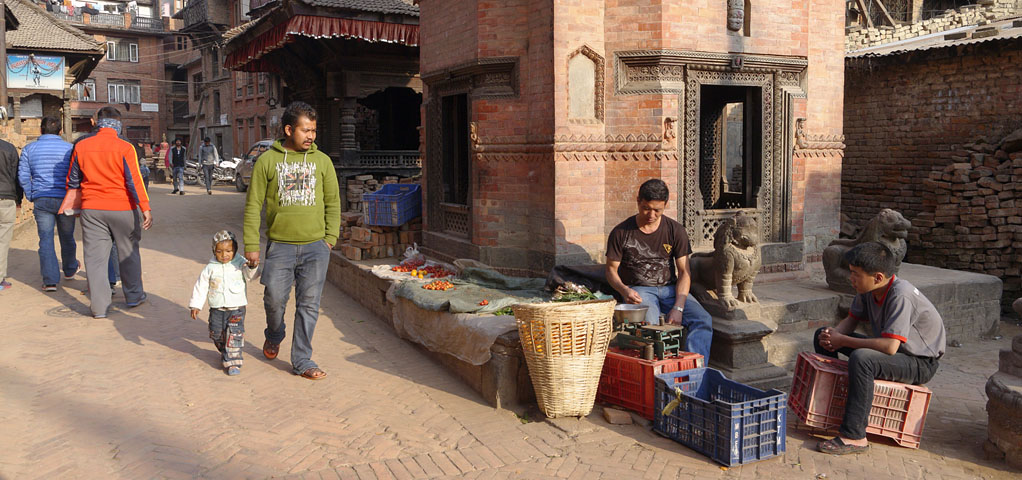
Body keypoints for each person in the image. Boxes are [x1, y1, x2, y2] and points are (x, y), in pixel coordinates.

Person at [814, 242, 946, 455]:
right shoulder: (868, 289)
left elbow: (890, 347)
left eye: (856, 274)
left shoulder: (900, 294)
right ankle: (829, 409)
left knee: (862, 358)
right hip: (897, 353)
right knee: (822, 335)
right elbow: (851, 321)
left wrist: (843, 341)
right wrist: (833, 336)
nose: (851, 278)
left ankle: (855, 436)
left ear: (877, 277)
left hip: (919, 362)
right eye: (851, 272)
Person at [243, 101, 340, 380]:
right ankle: (274, 332)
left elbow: (333, 202)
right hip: (280, 247)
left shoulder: (322, 162)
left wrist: (329, 239)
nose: (311, 136)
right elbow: (253, 205)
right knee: (274, 299)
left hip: (316, 248)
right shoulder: (268, 161)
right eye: (305, 130)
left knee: (309, 304)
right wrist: (251, 245)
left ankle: (302, 359)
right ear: (288, 129)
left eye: (313, 130)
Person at [605, 178, 714, 360]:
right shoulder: (621, 232)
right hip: (640, 290)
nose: (651, 214)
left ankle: (695, 369)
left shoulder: (675, 230)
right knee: (652, 327)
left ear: (665, 205)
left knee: (703, 320)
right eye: (646, 208)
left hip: (671, 289)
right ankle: (659, 376)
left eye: (657, 210)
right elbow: (610, 270)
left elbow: (685, 272)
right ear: (638, 201)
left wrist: (678, 307)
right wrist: (624, 290)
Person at [66, 107, 153, 318]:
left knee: (95, 259)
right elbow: (134, 181)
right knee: (128, 253)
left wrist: (75, 206)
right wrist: (145, 208)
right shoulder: (125, 147)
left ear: (96, 122)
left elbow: (72, 180)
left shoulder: (81, 146)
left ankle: (99, 308)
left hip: (91, 209)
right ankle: (133, 296)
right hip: (123, 208)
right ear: (118, 123)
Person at [18, 116, 78, 291]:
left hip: (42, 199)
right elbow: (77, 174)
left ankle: (50, 280)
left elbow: (23, 176)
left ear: (41, 130)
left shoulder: (29, 149)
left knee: (45, 239)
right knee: (67, 237)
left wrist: (31, 194)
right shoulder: (70, 149)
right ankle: (69, 269)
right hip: (66, 199)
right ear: (60, 131)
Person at [189, 230, 258, 376]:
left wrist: (252, 266)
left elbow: (251, 276)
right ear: (214, 251)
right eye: (219, 251)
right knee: (216, 335)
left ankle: (233, 362)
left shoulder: (240, 263)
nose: (224, 255)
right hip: (217, 309)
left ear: (235, 250)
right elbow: (201, 286)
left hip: (236, 308)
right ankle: (225, 350)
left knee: (234, 335)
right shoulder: (210, 267)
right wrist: (196, 304)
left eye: (228, 251)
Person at [0, 137, 23, 292]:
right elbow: (17, 177)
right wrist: (19, 198)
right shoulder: (9, 148)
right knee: (3, 239)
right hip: (6, 197)